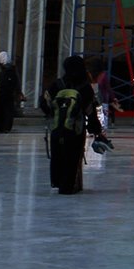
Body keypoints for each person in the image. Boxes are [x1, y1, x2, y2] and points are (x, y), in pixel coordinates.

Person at [44, 56, 101, 196]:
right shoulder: (85, 87)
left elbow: (44, 103)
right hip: (76, 128)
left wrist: (54, 114)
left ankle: (57, 181)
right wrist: (96, 131)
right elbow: (90, 111)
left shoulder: (57, 84)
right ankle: (68, 185)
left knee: (57, 155)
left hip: (57, 128)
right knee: (73, 156)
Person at [0, 51, 19, 133]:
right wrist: (18, 91)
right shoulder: (13, 67)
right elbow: (17, 80)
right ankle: (7, 127)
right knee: (8, 110)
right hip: (9, 92)